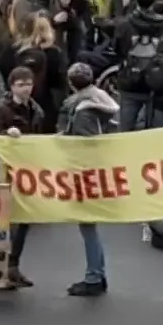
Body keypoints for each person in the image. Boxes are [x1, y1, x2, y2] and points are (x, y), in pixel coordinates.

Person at [57, 64, 118, 296]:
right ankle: (97, 274)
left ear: (71, 83)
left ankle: (94, 275)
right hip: (99, 169)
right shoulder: (102, 102)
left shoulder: (77, 109)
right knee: (89, 225)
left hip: (84, 172)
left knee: (87, 225)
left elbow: (80, 143)